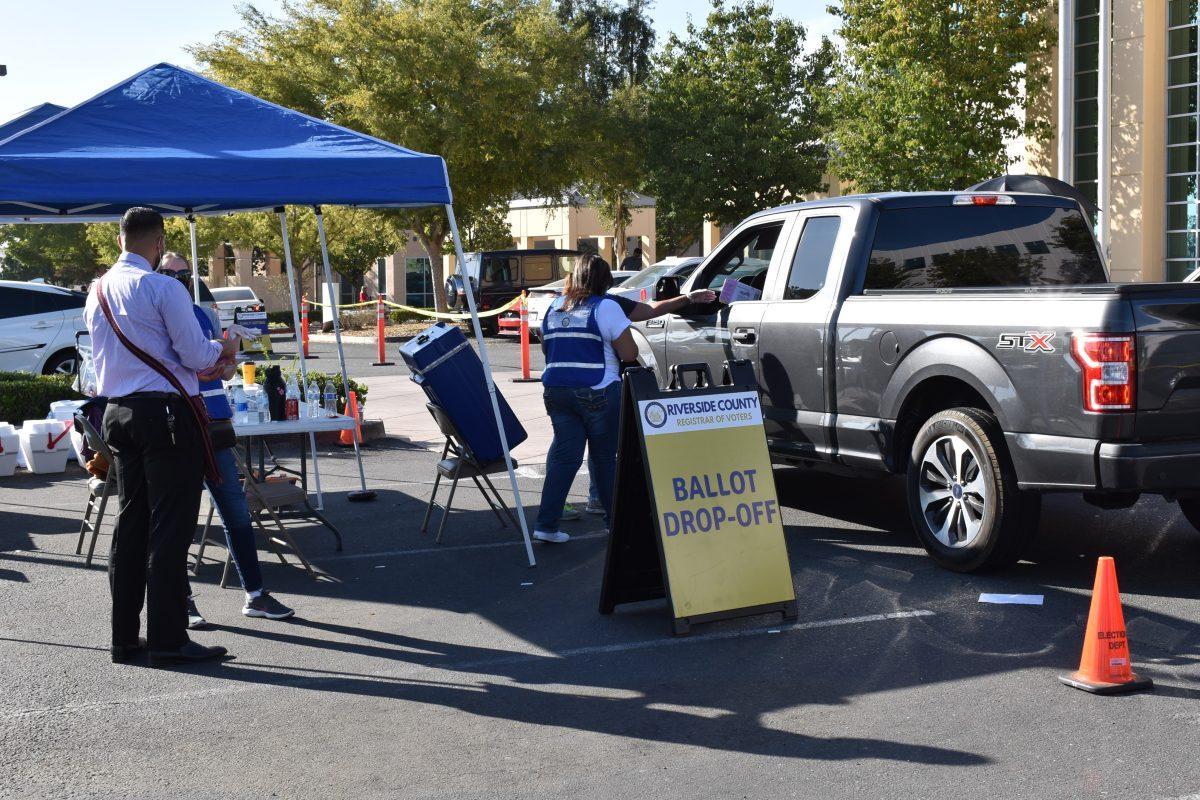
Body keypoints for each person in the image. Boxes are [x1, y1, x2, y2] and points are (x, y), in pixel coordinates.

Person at [85, 208, 239, 666]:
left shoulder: (96, 291)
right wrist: (223, 348)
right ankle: (169, 638)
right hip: (165, 415)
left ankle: (125, 637)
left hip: (118, 413)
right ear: (157, 244)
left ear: (120, 241)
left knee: (130, 525)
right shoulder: (162, 287)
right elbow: (194, 354)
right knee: (169, 529)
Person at [157, 254, 296, 625]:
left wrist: (226, 351)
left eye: (185, 274)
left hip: (215, 421)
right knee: (180, 517)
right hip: (182, 424)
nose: (179, 279)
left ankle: (255, 594)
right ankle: (181, 598)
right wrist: (219, 356)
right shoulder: (160, 318)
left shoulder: (201, 315)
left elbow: (223, 369)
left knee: (235, 511)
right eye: (168, 273)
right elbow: (200, 366)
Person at [558, 283, 718, 520]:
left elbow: (544, 339)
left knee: (564, 450)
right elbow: (634, 344)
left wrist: (687, 298)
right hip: (599, 384)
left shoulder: (560, 305)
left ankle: (553, 509)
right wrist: (687, 299)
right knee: (602, 447)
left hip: (561, 385)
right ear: (602, 278)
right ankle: (601, 502)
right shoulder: (608, 304)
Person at [534, 254, 637, 543]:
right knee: (605, 459)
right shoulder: (606, 307)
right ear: (605, 280)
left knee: (564, 458)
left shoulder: (554, 306)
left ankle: (546, 525)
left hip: (556, 390)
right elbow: (629, 354)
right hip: (598, 390)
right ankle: (614, 523)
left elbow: (547, 348)